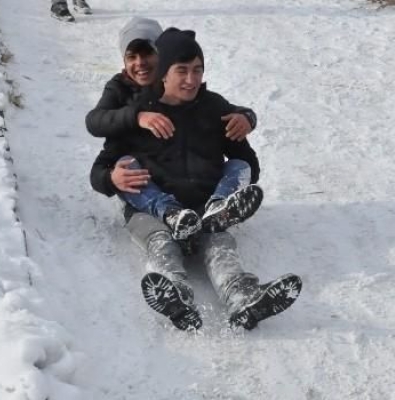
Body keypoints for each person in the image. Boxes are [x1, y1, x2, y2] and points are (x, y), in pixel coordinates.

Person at [87, 27, 302, 331]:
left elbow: (249, 164)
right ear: (163, 73)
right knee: (161, 243)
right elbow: (99, 169)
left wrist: (245, 123)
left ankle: (241, 295)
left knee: (219, 242)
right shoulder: (140, 115)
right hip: (153, 212)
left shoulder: (214, 108)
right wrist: (112, 179)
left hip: (203, 210)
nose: (191, 80)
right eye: (182, 71)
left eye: (197, 70)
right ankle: (176, 293)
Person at [86, 17, 261, 241]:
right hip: (152, 196)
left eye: (148, 54)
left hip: (199, 194)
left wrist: (247, 117)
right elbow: (95, 121)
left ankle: (217, 212)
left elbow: (229, 122)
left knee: (220, 229)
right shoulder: (122, 94)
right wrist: (136, 118)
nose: (141, 63)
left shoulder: (205, 103)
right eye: (132, 56)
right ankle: (171, 218)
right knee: (128, 166)